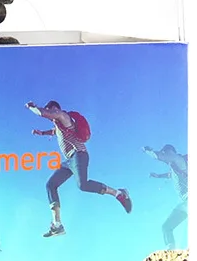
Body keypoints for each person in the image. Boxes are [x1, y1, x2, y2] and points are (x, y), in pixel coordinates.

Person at [27, 100, 132, 237]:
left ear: (54, 108)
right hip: (68, 161)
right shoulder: (58, 125)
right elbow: (54, 131)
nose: (51, 114)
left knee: (83, 185)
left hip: (78, 154)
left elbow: (44, 113)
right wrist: (42, 133)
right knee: (50, 185)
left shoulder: (62, 115)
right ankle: (57, 225)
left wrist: (32, 107)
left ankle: (119, 193)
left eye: (51, 110)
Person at [144, 144, 188, 250]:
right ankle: (171, 251)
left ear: (169, 151)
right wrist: (158, 176)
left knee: (170, 228)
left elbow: (160, 156)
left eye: (165, 152)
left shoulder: (177, 158)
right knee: (166, 227)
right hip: (185, 203)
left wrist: (147, 151)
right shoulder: (176, 166)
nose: (165, 154)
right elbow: (170, 175)